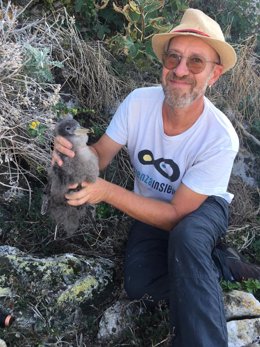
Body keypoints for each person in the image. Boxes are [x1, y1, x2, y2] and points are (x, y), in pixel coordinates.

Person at [52, 8, 260, 347]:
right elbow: (101, 156)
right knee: (140, 284)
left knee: (188, 236)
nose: (180, 70)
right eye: (173, 58)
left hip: (201, 210)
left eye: (195, 62)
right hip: (150, 207)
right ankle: (219, 264)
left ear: (214, 74)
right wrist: (73, 150)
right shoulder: (138, 103)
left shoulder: (220, 137)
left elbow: (178, 214)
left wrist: (105, 192)